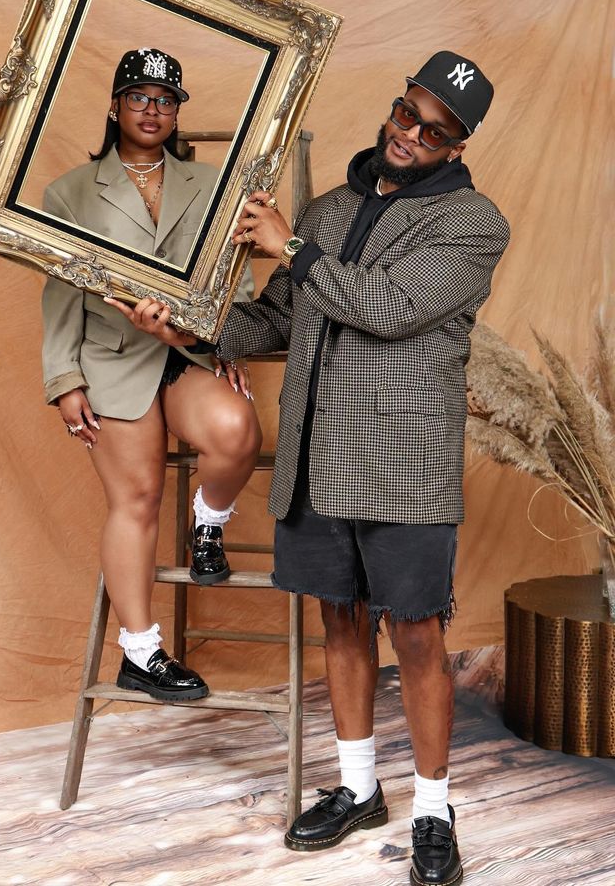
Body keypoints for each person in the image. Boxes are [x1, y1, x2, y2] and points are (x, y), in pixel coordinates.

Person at [108, 50, 511, 884]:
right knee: (338, 621)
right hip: (318, 455)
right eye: (409, 113)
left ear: (458, 148)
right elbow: (281, 319)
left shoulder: (472, 224)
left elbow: (388, 311)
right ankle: (359, 787)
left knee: (419, 636)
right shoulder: (330, 209)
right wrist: (187, 336)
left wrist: (289, 244)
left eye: (436, 132)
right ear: (397, 104)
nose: (412, 135)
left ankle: (434, 808)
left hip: (402, 460)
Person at [41, 47, 261, 702]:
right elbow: (58, 294)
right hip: (109, 362)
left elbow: (234, 277)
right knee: (135, 499)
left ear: (175, 113)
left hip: (185, 353)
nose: (151, 110)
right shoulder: (70, 193)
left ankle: (207, 526)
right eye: (138, 97)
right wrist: (65, 381)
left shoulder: (212, 185)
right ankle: (141, 652)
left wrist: (230, 341)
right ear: (115, 106)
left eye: (164, 101)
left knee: (237, 429)